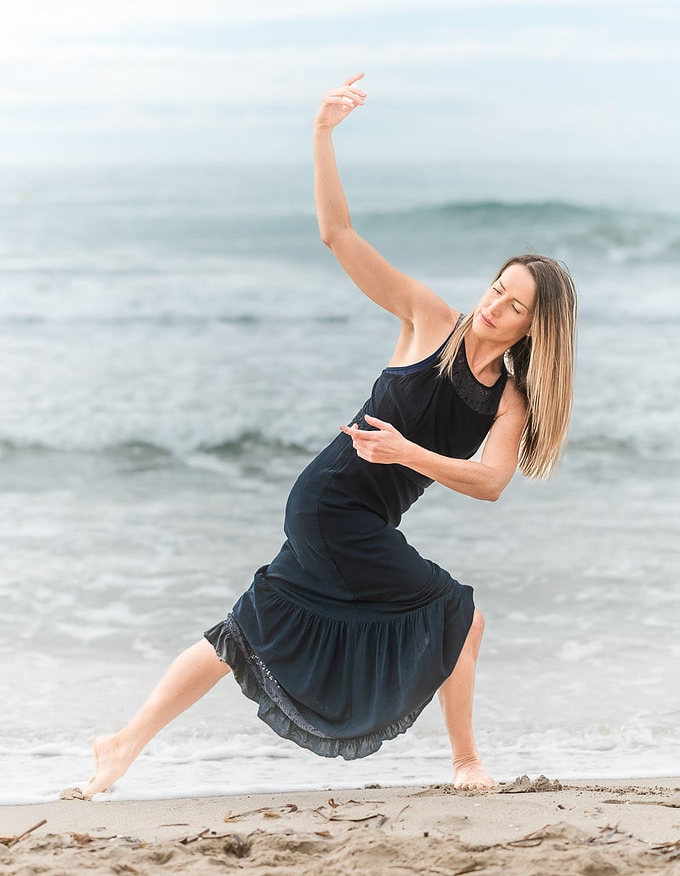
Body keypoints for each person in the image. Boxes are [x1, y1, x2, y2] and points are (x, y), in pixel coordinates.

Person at [84, 74, 577, 798]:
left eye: (514, 307)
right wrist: (321, 132)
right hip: (327, 503)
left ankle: (119, 744)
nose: (494, 306)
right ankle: (465, 763)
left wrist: (407, 453)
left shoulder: (511, 403)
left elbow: (491, 484)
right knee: (460, 614)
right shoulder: (428, 317)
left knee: (242, 632)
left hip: (358, 517)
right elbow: (337, 235)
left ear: (535, 328)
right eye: (496, 288)